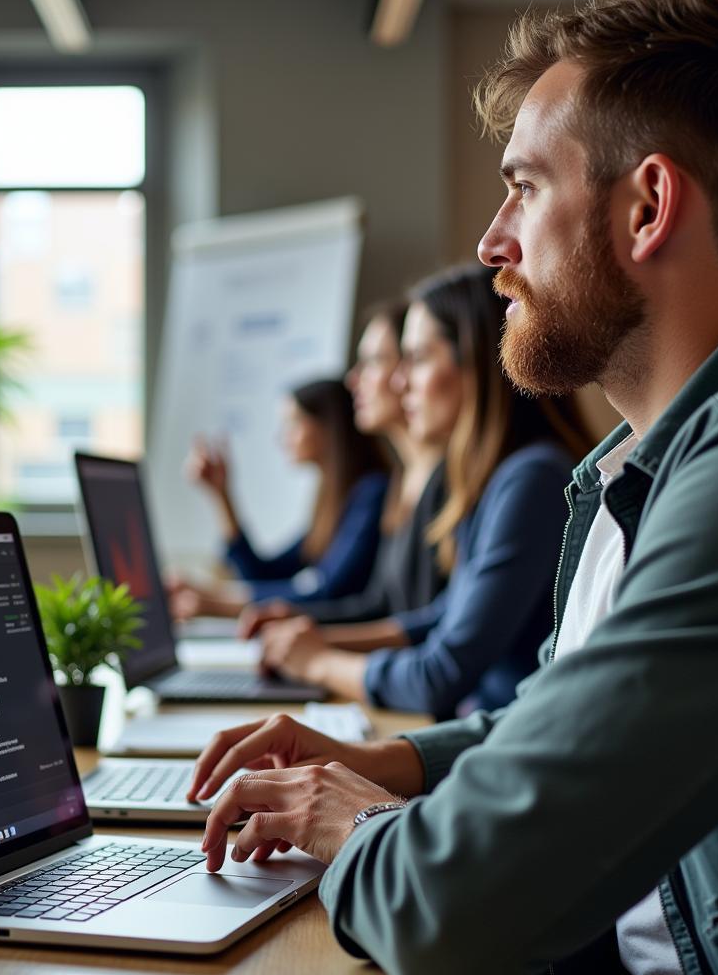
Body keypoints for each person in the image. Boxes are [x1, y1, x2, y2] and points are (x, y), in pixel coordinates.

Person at [188, 0, 718, 975]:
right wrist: (378, 761)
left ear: (647, 206)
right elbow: (561, 720)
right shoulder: (629, 469)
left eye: (524, 188)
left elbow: (448, 913)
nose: (491, 243)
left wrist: (349, 823)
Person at [248, 265, 594, 719]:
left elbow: (441, 674)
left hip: (496, 744)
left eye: (418, 358)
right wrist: (318, 638)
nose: (398, 381)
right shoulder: (497, 480)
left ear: (474, 362)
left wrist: (319, 662)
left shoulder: (532, 479)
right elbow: (441, 618)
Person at [240, 299, 451, 639]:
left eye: (374, 362)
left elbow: (440, 629)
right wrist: (300, 623)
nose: (353, 380)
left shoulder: (443, 483)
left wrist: (315, 644)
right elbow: (381, 604)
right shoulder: (403, 481)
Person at [167, 379, 389, 619]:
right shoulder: (333, 503)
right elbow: (262, 573)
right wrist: (221, 495)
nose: (282, 437)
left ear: (328, 427)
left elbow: (328, 591)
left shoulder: (371, 494)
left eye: (293, 423)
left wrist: (217, 602)